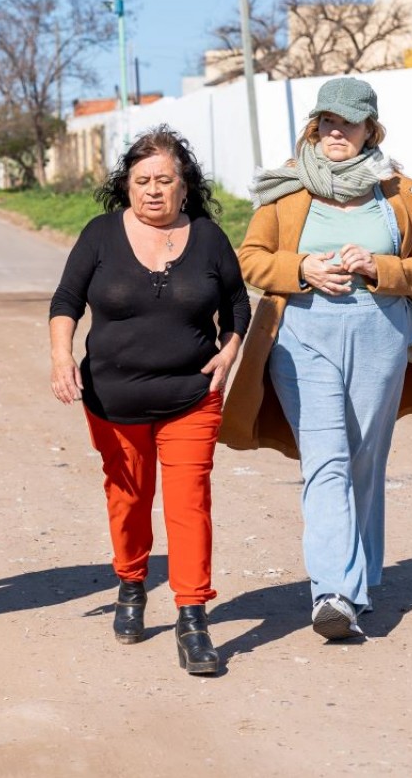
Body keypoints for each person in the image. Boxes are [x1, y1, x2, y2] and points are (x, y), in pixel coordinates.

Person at [220, 76, 412, 641]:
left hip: (380, 336)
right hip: (301, 337)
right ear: (315, 127)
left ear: (370, 131)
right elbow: (249, 259)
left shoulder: (396, 193)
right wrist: (300, 267)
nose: (337, 133)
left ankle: (357, 584)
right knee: (327, 458)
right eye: (328, 123)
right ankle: (333, 592)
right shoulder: (286, 190)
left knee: (363, 460)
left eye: (349, 124)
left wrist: (377, 267)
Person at [49, 126, 251, 675]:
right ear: (127, 185)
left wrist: (229, 351)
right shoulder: (100, 235)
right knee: (129, 500)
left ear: (185, 186)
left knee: (189, 504)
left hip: (192, 395)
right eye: (142, 181)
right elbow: (66, 300)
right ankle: (132, 582)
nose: (154, 190)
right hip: (112, 400)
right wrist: (62, 357)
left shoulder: (208, 238)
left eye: (165, 180)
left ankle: (193, 619)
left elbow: (237, 303)